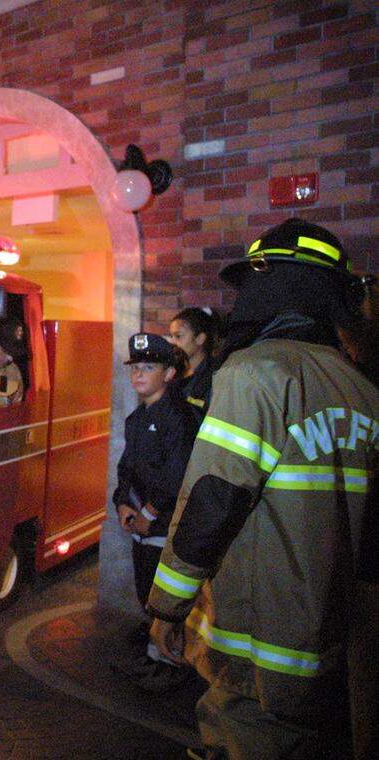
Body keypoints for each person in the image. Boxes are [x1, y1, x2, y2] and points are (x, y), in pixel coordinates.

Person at [146, 219, 378, 760]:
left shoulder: (255, 374)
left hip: (258, 651)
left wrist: (167, 606)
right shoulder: (363, 389)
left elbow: (212, 502)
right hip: (332, 646)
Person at [108, 332, 198, 693]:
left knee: (167, 597)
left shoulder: (180, 419)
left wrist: (149, 511)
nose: (139, 375)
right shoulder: (135, 419)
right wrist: (122, 503)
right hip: (142, 523)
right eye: (136, 368)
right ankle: (153, 657)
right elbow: (127, 469)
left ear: (169, 374)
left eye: (149, 367)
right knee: (147, 590)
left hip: (166, 524)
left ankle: (171, 666)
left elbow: (176, 474)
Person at [168, 307, 217, 414]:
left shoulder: (214, 377)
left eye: (178, 336)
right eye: (171, 336)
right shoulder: (174, 371)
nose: (173, 342)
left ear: (200, 339)